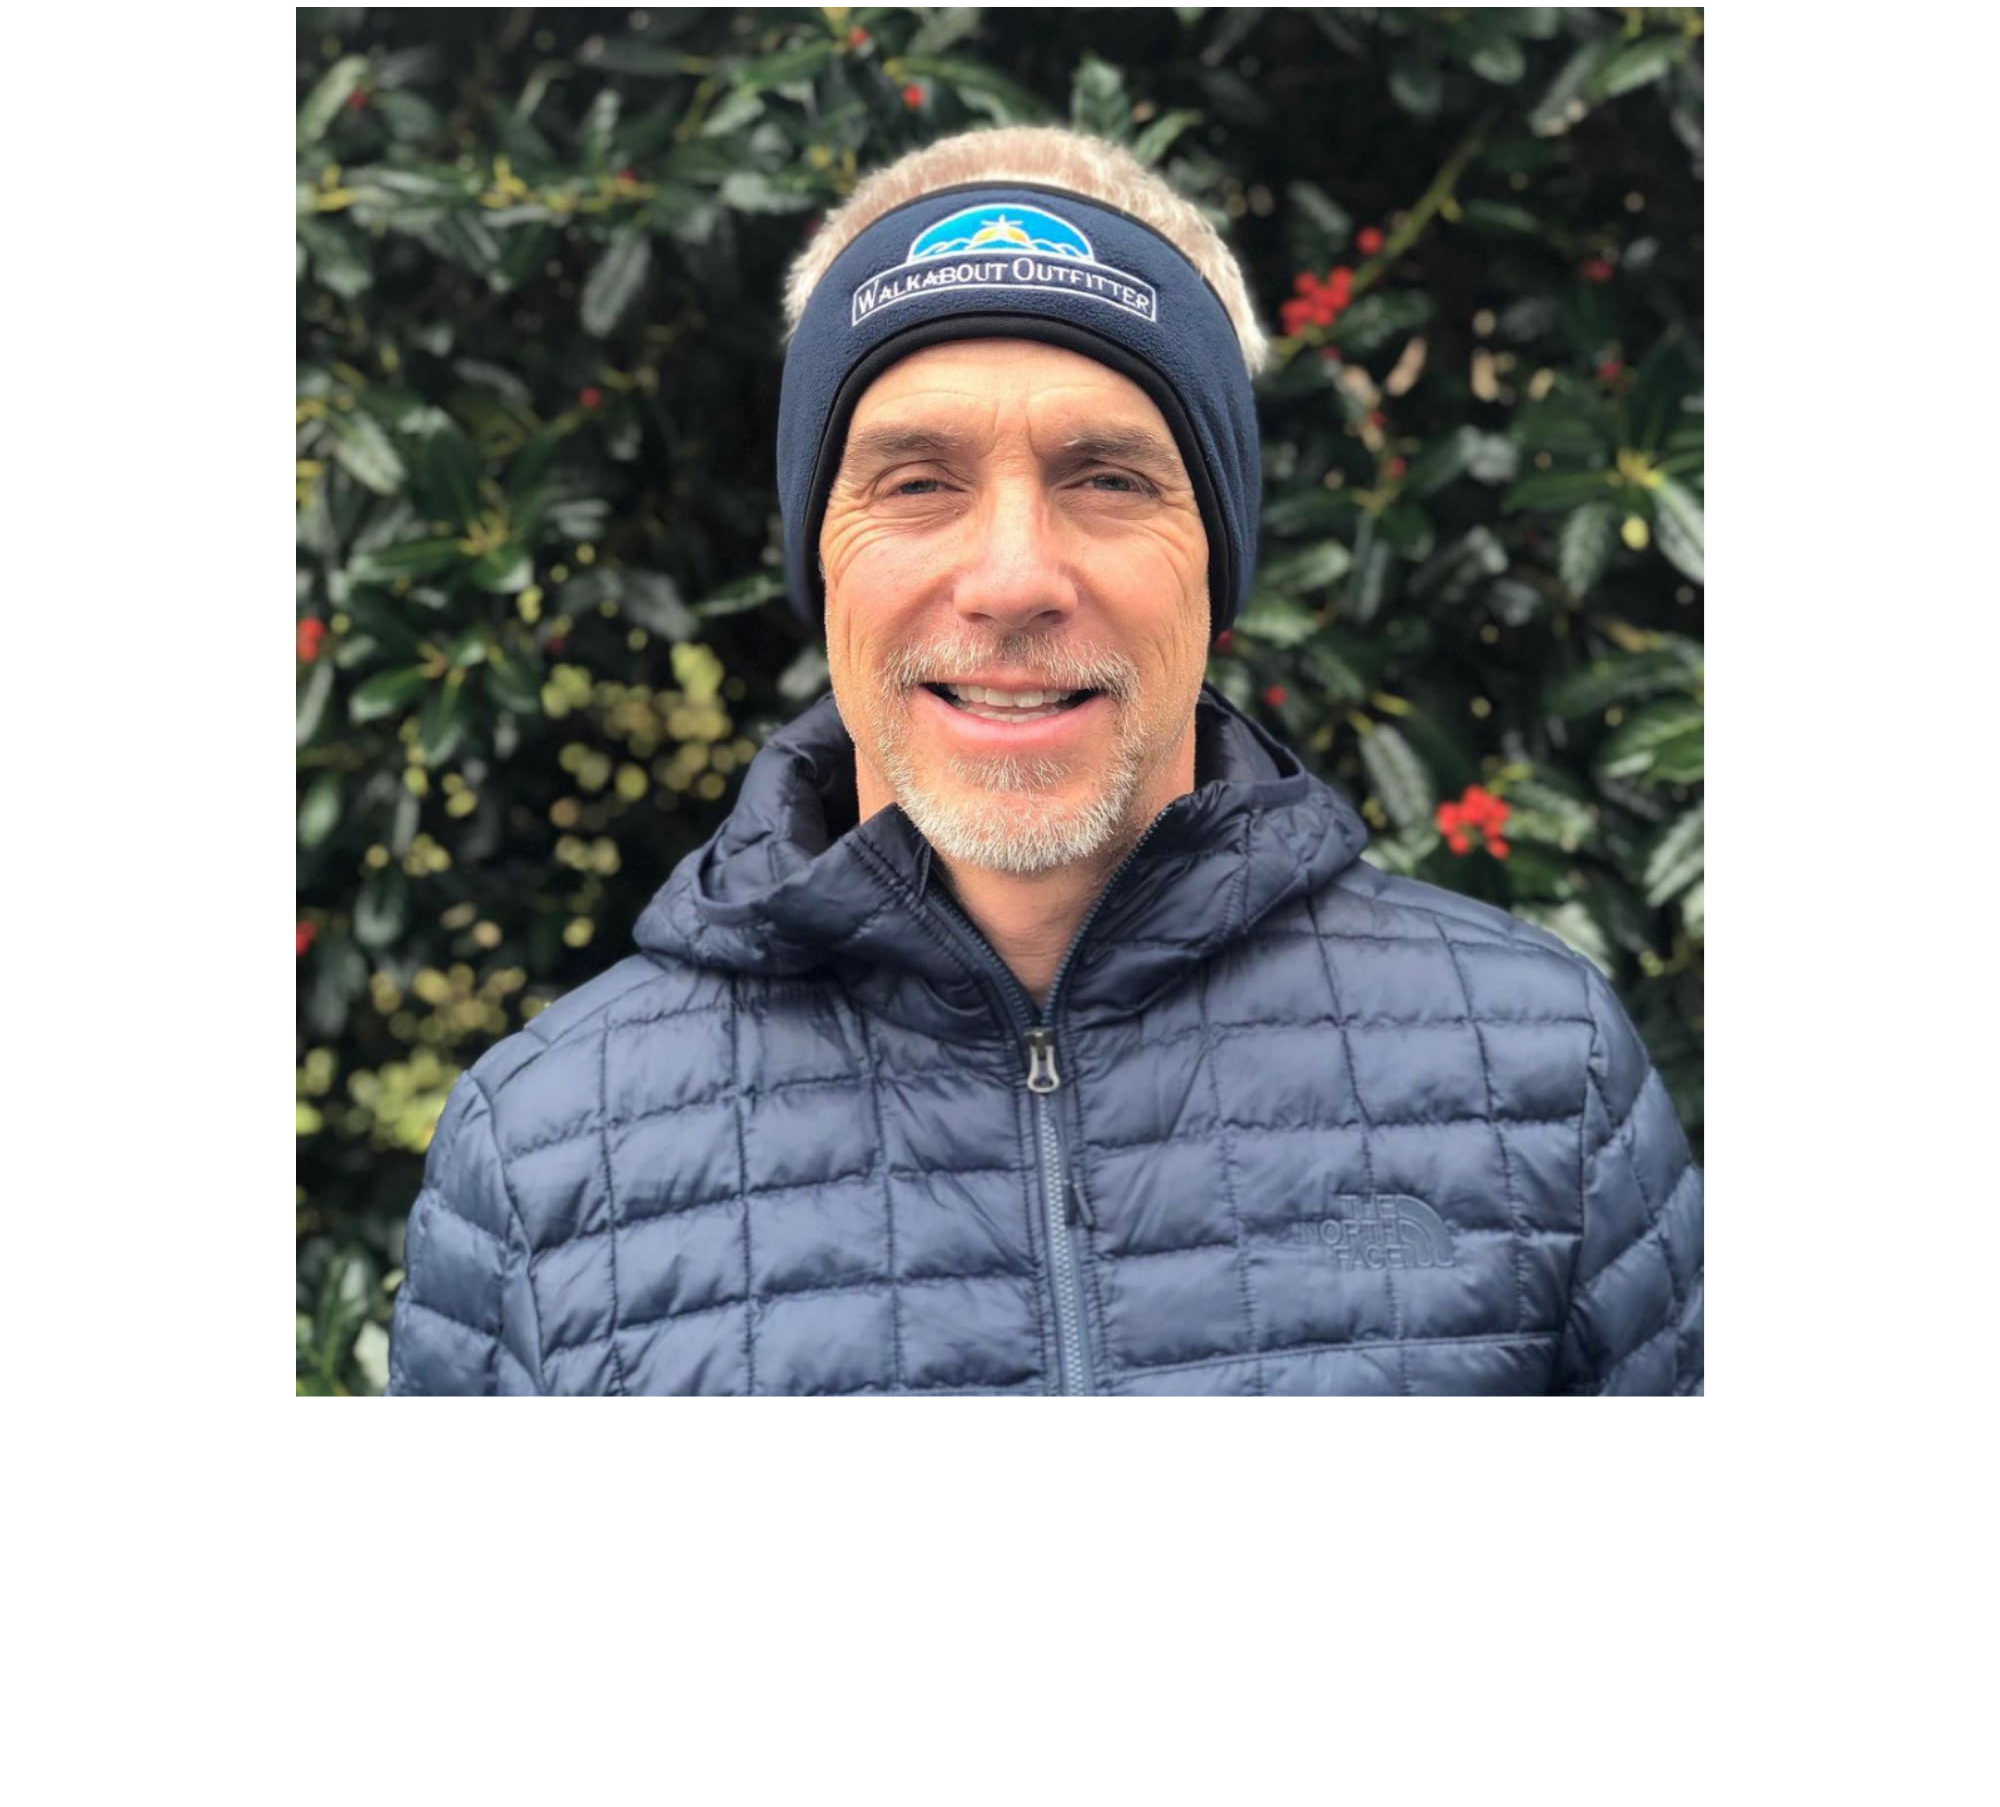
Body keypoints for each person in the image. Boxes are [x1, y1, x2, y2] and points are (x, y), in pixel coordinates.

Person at [388, 126, 1703, 1397]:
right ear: (819, 559)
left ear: (1219, 559)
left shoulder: (1537, 1075)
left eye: (1109, 479)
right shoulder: (545, 1156)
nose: (1013, 579)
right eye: (917, 483)